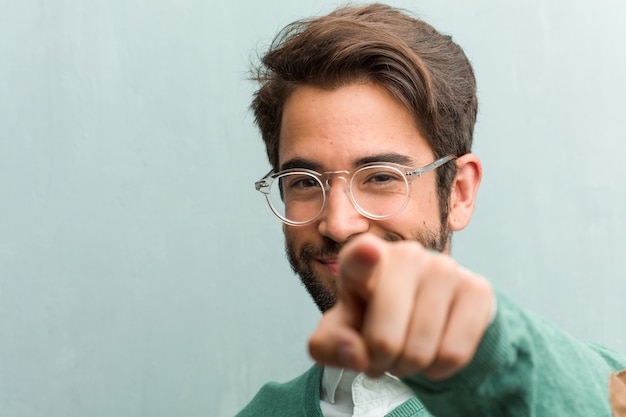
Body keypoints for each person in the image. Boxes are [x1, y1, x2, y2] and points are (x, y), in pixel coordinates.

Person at [237, 3, 626, 416]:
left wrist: (484, 350)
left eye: (381, 177)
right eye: (303, 182)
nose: (337, 223)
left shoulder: (594, 393)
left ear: (458, 192)